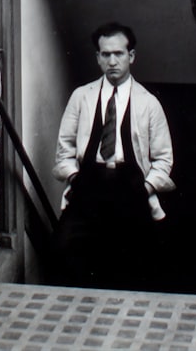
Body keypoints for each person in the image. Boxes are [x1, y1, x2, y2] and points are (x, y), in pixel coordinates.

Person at [52, 22, 174, 289]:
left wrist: (145, 187)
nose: (112, 61)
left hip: (131, 186)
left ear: (131, 56)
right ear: (97, 58)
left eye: (118, 54)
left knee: (132, 264)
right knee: (70, 254)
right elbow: (64, 151)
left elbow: (164, 159)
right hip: (88, 184)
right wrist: (76, 178)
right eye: (105, 54)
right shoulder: (81, 97)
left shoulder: (149, 103)